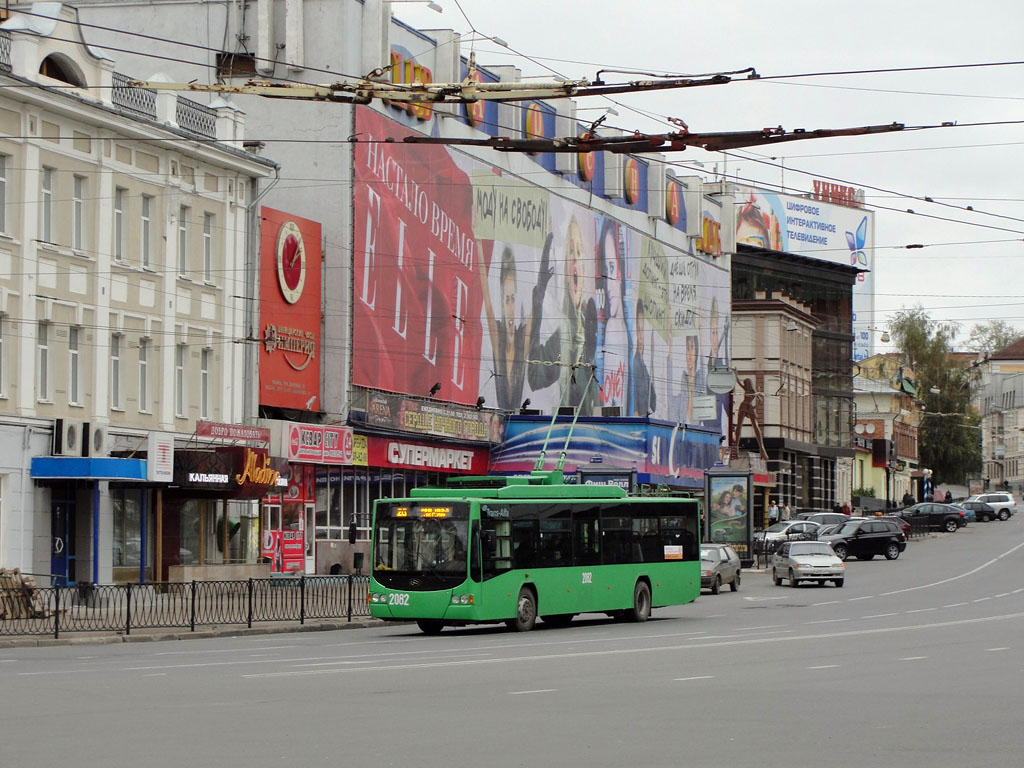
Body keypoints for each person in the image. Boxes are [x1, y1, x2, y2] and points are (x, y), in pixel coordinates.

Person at [528, 218, 598, 413]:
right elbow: (535, 376)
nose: (575, 259)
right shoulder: (564, 334)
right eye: (570, 252)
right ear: (567, 273)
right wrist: (539, 295)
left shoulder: (590, 328)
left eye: (579, 251)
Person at [478, 242, 532, 411]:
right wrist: (479, 242)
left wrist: (548, 242)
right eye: (506, 299)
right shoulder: (497, 339)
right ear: (501, 303)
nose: (510, 308)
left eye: (513, 299)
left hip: (517, 420)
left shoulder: (522, 339)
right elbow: (485, 293)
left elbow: (538, 302)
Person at [631, 298, 656, 417]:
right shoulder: (634, 364)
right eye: (638, 330)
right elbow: (633, 394)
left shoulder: (643, 365)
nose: (641, 337)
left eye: (643, 330)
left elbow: (653, 400)